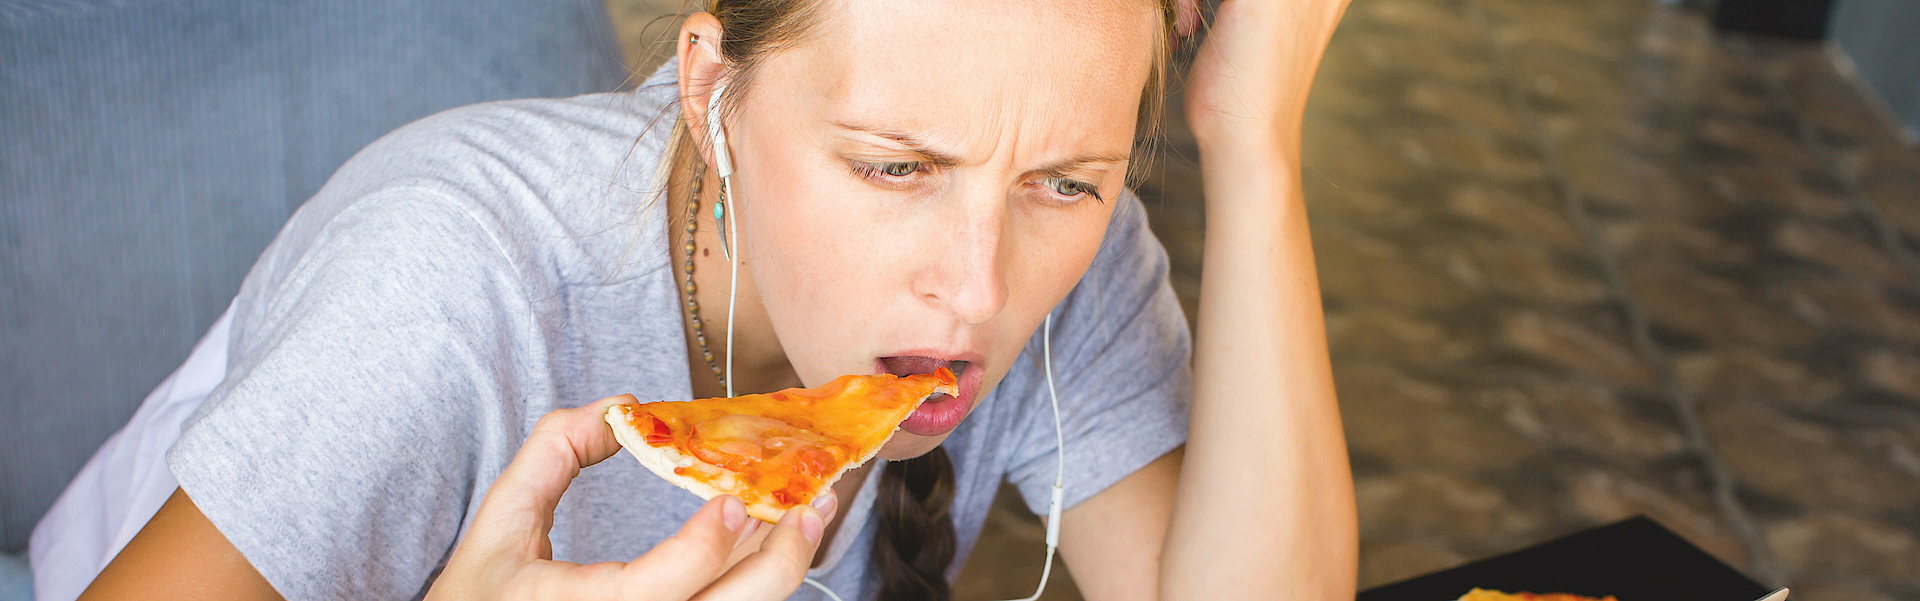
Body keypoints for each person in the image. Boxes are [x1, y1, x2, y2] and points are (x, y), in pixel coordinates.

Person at [61, 0, 1357, 599]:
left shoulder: (1077, 258)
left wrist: (1253, 147)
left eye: (1067, 182)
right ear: (709, 88)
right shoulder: (448, 288)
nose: (978, 288)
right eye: (894, 165)